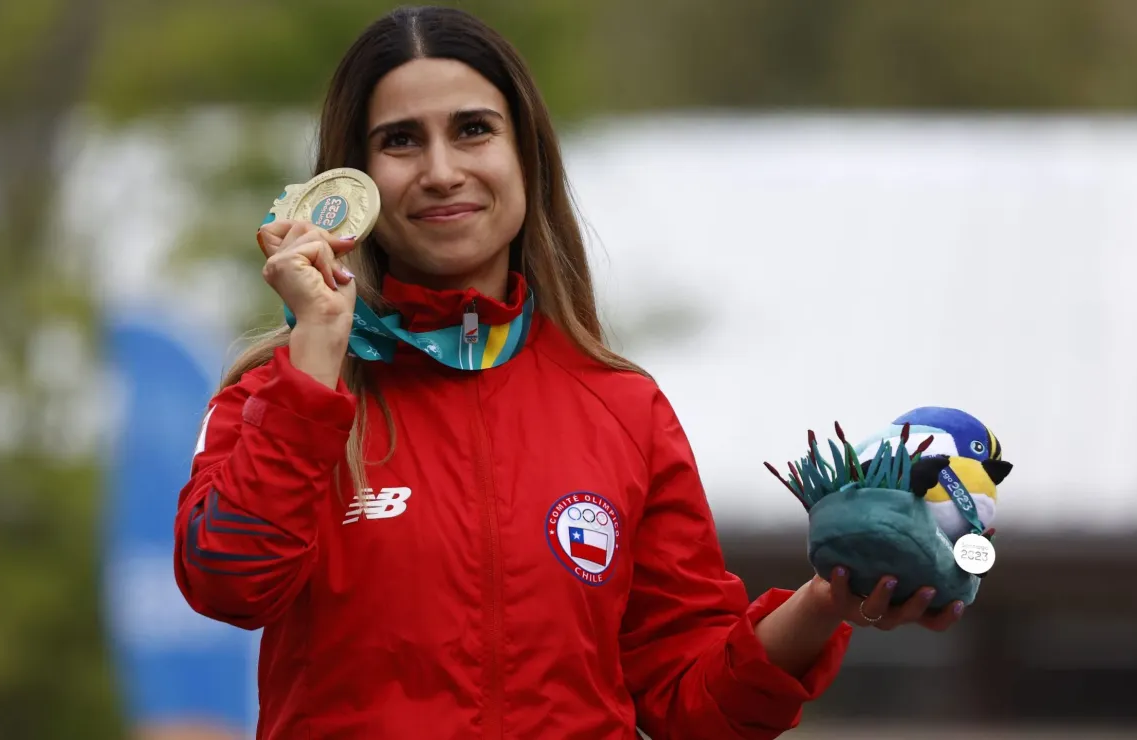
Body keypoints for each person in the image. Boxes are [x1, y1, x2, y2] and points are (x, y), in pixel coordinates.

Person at [173, 5, 965, 739]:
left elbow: (694, 702)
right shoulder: (284, 393)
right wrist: (316, 351)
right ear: (356, 182)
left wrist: (828, 600)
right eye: (402, 140)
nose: (442, 170)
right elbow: (228, 585)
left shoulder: (623, 408)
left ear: (527, 156)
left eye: (474, 130)